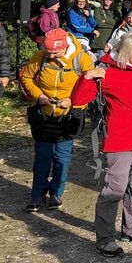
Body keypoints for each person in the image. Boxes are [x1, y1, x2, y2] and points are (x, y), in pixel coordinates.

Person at [71, 32, 132, 257]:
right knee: (114, 189)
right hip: (120, 140)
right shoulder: (107, 73)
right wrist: (87, 76)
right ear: (127, 53)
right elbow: (78, 100)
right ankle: (105, 238)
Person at [19, 28, 94, 211]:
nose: (51, 56)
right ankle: (37, 195)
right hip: (43, 114)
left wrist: (73, 101)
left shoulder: (81, 59)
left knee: (62, 156)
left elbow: (91, 86)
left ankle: (56, 194)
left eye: (55, 52)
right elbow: (26, 77)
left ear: (65, 46)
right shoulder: (40, 57)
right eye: (48, 52)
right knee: (42, 156)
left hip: (67, 115)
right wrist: (39, 96)